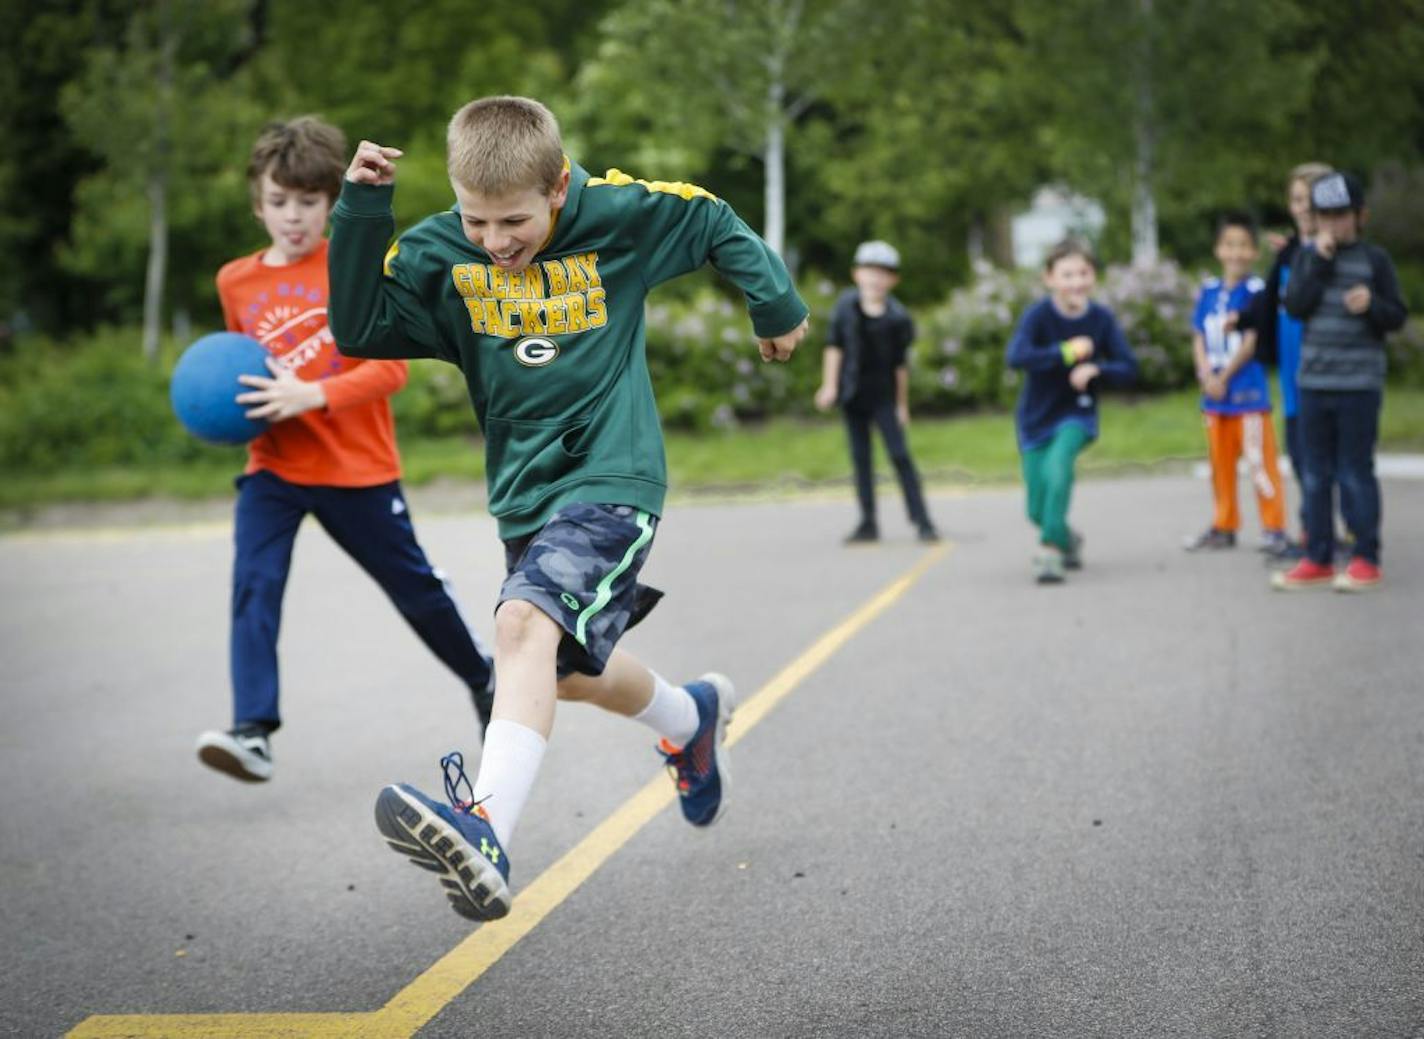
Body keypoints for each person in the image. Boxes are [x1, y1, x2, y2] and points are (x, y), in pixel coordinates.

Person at [327, 96, 809, 921]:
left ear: (556, 188)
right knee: (563, 674)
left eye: (512, 219)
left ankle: (483, 830)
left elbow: (714, 219)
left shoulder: (615, 214)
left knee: (519, 626)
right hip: (524, 493)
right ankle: (690, 716)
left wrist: (776, 306)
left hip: (613, 476)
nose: (496, 242)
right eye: (477, 220)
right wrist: (362, 209)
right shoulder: (443, 251)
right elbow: (361, 325)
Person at [194, 117, 495, 783]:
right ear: (257, 203)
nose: (292, 216)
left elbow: (391, 370)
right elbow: (239, 369)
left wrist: (313, 395)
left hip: (356, 469)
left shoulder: (348, 264)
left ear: (331, 202)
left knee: (414, 590)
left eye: (307, 201)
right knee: (255, 583)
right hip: (274, 467)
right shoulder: (234, 282)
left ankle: (485, 680)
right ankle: (253, 729)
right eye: (279, 202)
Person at [1273, 171, 1408, 591]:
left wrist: (1371, 305)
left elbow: (1397, 316)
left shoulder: (1375, 261)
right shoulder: (1306, 257)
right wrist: (1321, 260)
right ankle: (1318, 557)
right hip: (1314, 381)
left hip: (1359, 385)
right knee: (1315, 474)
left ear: (1360, 215)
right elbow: (1295, 306)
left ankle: (1366, 556)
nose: (1332, 225)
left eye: (1340, 216)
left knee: (1354, 471)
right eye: (1324, 216)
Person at [1005, 240, 1138, 584]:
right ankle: (1067, 538)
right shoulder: (1038, 316)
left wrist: (1097, 370)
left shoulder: (1101, 319)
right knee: (1036, 508)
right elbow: (1017, 357)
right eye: (1067, 275)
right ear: (1049, 279)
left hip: (1076, 415)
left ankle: (1050, 551)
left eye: (1083, 273)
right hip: (1035, 419)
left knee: (1058, 467)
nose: (1076, 282)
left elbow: (1129, 367)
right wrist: (1067, 352)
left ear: (1093, 276)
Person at [813, 240, 938, 544]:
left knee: (899, 455)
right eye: (869, 271)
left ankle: (922, 520)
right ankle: (868, 521)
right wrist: (829, 385)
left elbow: (900, 366)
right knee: (861, 459)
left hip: (883, 396)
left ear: (893, 280)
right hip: (853, 394)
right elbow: (834, 346)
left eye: (883, 273)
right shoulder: (845, 307)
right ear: (857, 274)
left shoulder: (898, 319)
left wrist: (902, 405)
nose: (875, 278)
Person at [1183, 214, 1288, 555]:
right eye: (1229, 244)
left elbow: (1252, 339)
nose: (1236, 252)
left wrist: (1224, 376)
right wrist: (1205, 374)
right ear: (1218, 249)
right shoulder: (1210, 291)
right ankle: (1224, 524)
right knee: (1220, 465)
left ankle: (1274, 527)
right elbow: (1198, 334)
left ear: (1255, 251)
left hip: (1247, 394)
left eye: (1244, 245)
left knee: (1259, 463)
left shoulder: (1257, 292)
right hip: (1214, 397)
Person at [1246, 163, 1334, 561]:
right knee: (1301, 458)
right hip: (1291, 372)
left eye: (1311, 200)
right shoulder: (1288, 256)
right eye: (1297, 199)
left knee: (1321, 461)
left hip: (1322, 373)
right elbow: (1266, 304)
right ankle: (1314, 530)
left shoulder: (1330, 254)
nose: (1303, 208)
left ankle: (1323, 535)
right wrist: (1242, 320)